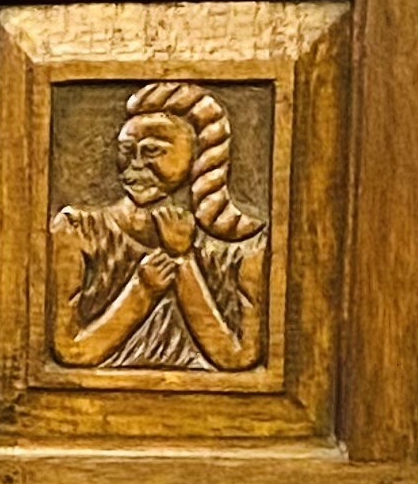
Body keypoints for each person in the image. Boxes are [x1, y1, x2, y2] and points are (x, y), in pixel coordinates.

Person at [48, 79, 269, 374]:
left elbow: (237, 357)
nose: (134, 164)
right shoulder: (78, 230)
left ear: (198, 154)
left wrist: (183, 260)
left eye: (152, 151)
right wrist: (142, 290)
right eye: (126, 150)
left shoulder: (241, 247)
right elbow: (71, 350)